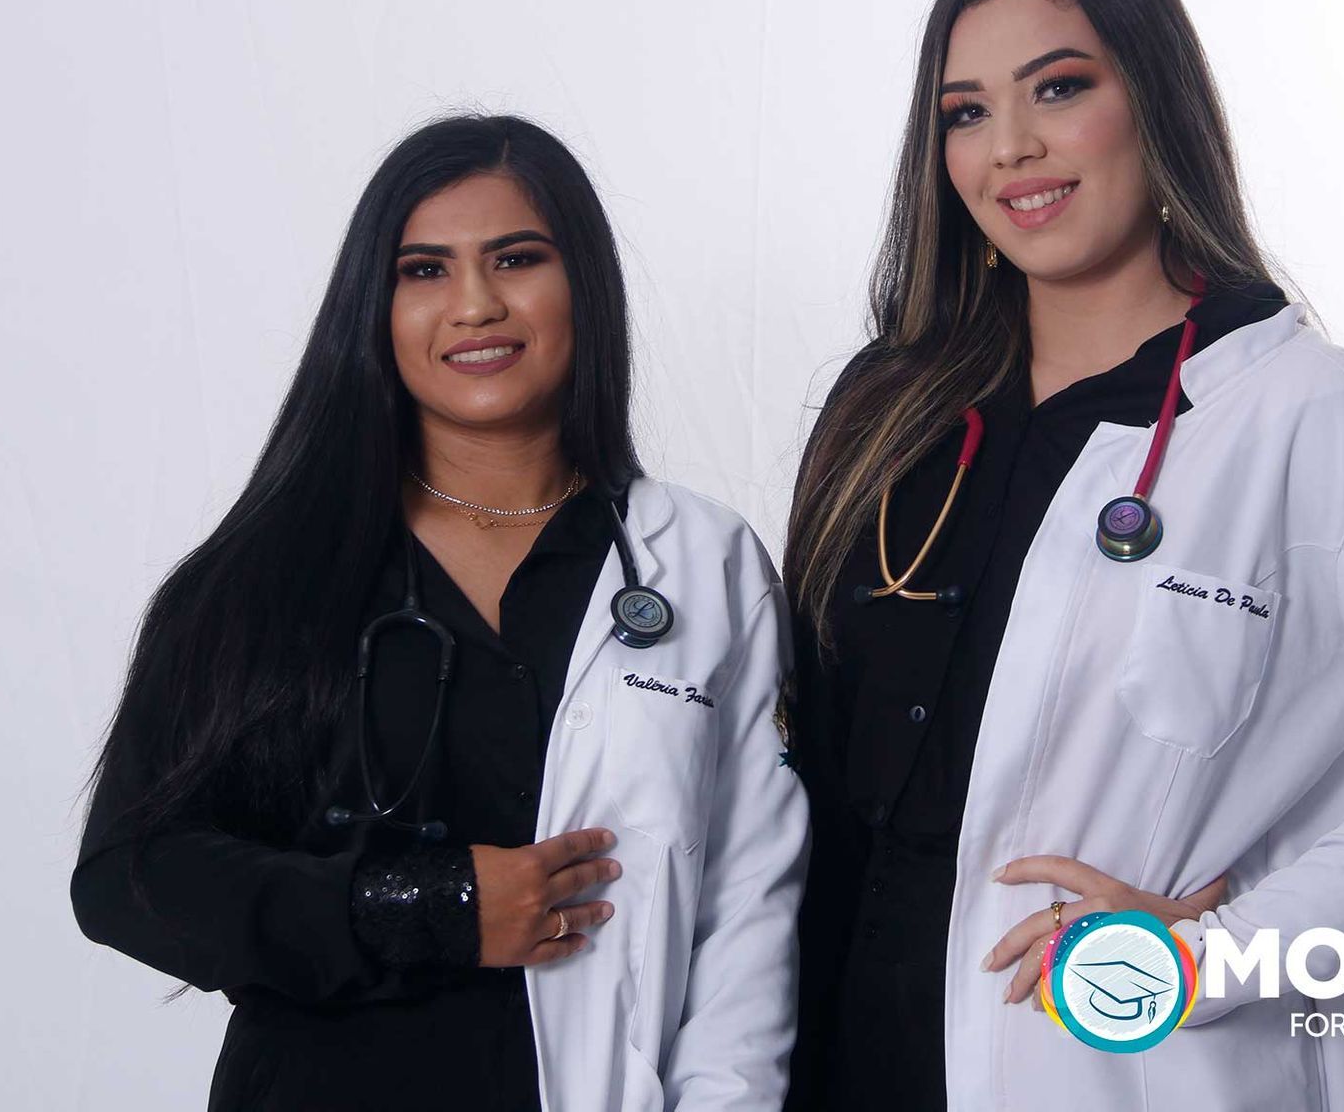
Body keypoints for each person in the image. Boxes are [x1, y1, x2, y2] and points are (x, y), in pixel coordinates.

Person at [782, 0, 1344, 1109]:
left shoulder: (1318, 421)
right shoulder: (887, 410)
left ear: (1155, 99)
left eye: (1060, 87)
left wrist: (1219, 954)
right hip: (838, 1059)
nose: (1014, 146)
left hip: (1118, 1067)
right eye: (967, 111)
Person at [72, 113, 807, 1110]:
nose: (475, 304)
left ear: (583, 284)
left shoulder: (700, 560)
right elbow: (130, 876)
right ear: (374, 306)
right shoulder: (263, 574)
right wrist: (425, 905)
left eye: (516, 258)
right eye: (424, 270)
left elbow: (749, 903)